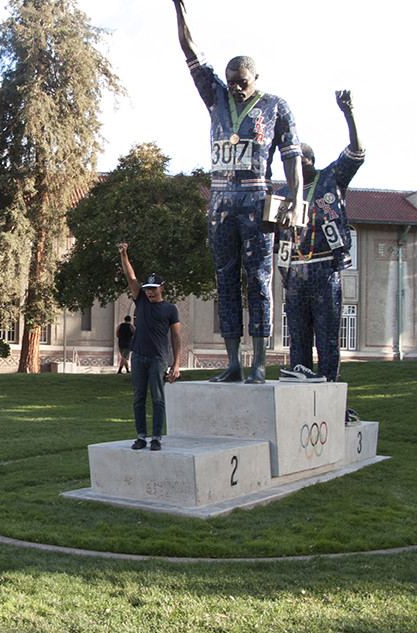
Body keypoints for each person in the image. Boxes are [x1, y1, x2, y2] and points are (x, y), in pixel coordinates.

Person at [172, 0, 304, 384]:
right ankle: (233, 362)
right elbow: (190, 50)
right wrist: (181, 12)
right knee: (225, 280)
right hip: (219, 202)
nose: (235, 88)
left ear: (256, 77)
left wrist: (296, 198)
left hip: (257, 199)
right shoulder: (215, 97)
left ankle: (260, 362)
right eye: (231, 81)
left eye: (242, 82)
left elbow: (292, 155)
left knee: (259, 279)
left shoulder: (277, 107)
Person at [276, 90, 365, 382]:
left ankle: (329, 387)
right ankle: (298, 382)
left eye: (296, 159)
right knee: (298, 336)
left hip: (325, 268)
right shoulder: (282, 194)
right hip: (296, 272)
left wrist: (349, 113)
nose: (292, 166)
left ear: (311, 160)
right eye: (287, 161)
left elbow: (356, 152)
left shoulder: (331, 178)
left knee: (327, 334)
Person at [117, 243, 180, 451]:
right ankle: (141, 436)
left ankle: (156, 438)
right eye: (147, 289)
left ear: (161, 288)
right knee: (138, 399)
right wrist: (124, 255)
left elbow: (176, 337)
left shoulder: (171, 309)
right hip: (139, 356)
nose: (150, 293)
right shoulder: (141, 301)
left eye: (153, 289)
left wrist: (176, 364)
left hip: (158, 359)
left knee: (158, 399)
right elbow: (130, 277)